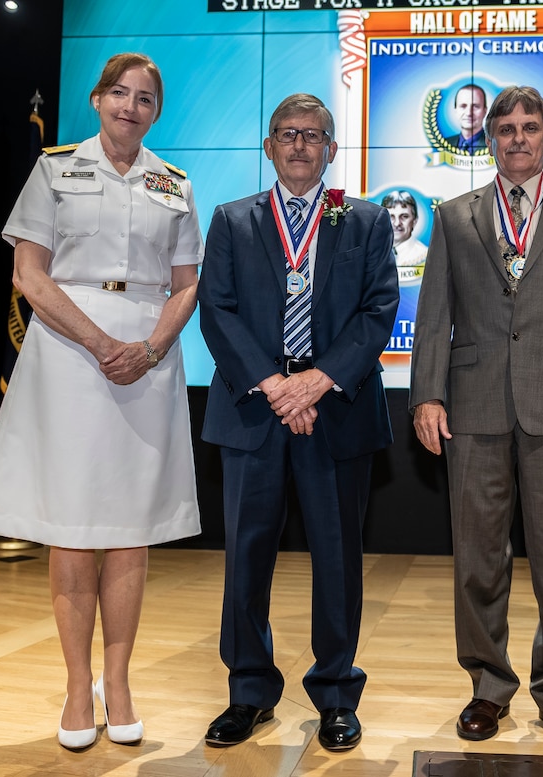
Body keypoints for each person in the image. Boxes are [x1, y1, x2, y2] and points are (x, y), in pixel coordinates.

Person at [0, 52, 202, 750]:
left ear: (157, 111)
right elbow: (29, 276)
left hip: (148, 360)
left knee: (129, 527)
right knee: (72, 525)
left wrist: (150, 349)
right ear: (98, 99)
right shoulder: (54, 168)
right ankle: (76, 685)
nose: (131, 106)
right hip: (70, 354)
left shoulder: (174, 182)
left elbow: (186, 283)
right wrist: (100, 342)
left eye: (146, 98)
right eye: (120, 93)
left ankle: (118, 681)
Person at [410, 85, 543, 751]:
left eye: (530, 126)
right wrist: (426, 394)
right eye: (505, 127)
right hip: (473, 406)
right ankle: (487, 686)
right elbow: (435, 314)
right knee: (478, 558)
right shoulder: (453, 215)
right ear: (489, 138)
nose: (517, 137)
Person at [197, 93, 398, 752]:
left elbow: (377, 312)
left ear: (332, 148)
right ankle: (248, 689)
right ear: (269, 147)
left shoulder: (365, 221)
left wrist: (316, 379)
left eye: (313, 134)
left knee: (338, 559)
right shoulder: (231, 219)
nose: (300, 144)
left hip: (334, 407)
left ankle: (337, 693)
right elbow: (218, 310)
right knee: (246, 558)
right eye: (287, 133)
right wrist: (277, 385)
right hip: (256, 408)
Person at [382, 190, 428, 268]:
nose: (397, 223)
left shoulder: (425, 255)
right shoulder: (373, 252)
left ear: (414, 221)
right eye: (391, 217)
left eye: (404, 216)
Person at [444, 83, 488, 153]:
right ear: (456, 111)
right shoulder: (443, 144)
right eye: (463, 106)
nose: (469, 113)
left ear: (485, 111)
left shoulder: (495, 146)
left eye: (475, 106)